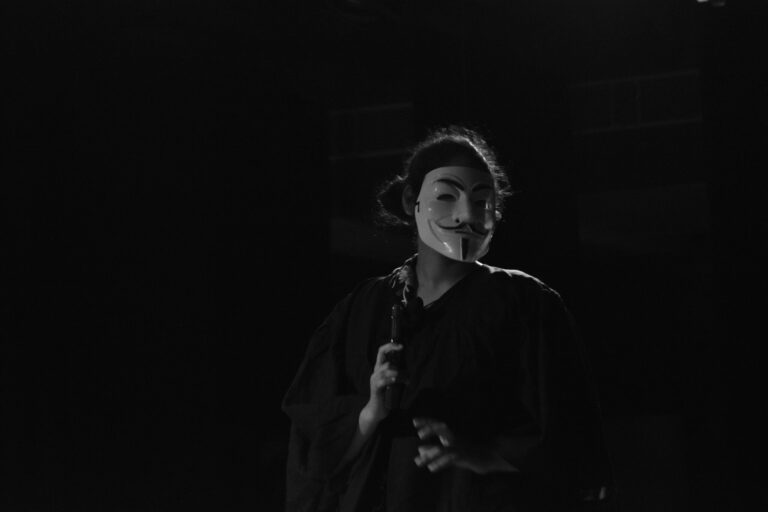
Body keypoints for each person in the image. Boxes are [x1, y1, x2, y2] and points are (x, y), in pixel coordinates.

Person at [282, 126, 613, 512]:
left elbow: (574, 443)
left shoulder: (527, 306)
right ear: (412, 200)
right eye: (446, 195)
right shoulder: (362, 310)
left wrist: (487, 455)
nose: (466, 215)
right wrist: (369, 412)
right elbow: (314, 451)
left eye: (482, 200)